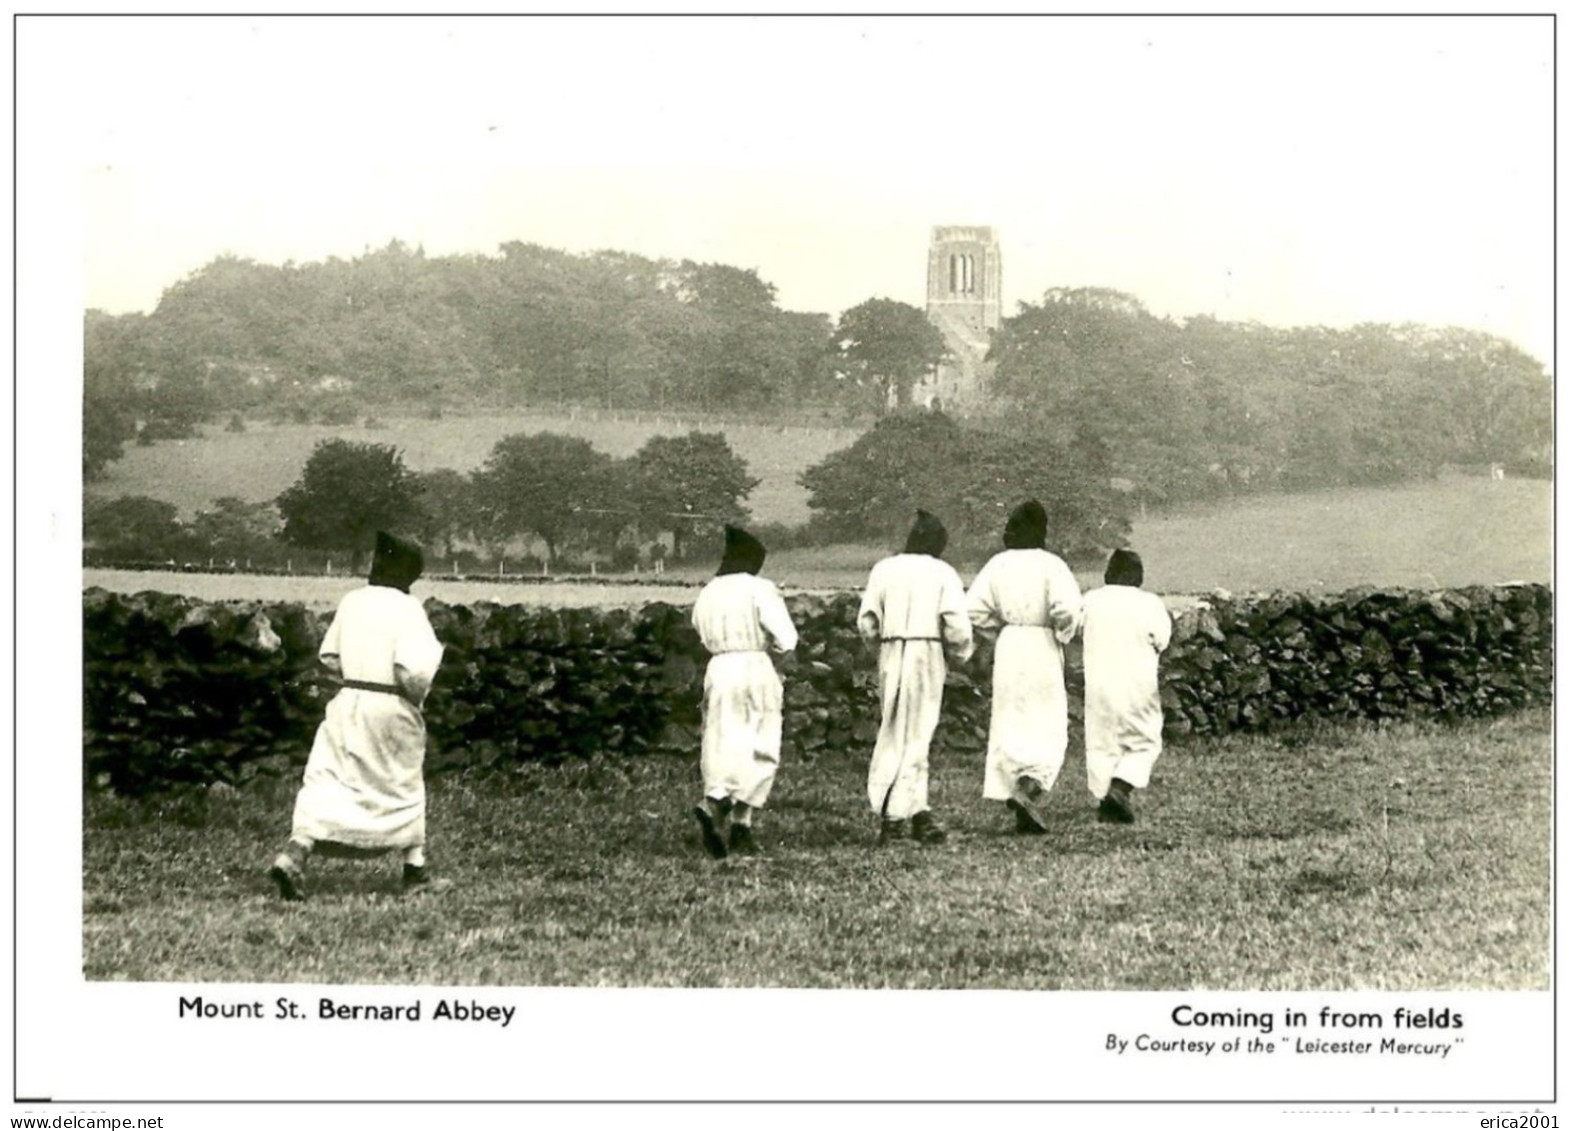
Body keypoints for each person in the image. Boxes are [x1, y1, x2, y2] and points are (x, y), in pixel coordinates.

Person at [268, 531, 445, 900]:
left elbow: (330, 658)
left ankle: (295, 853)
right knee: (402, 783)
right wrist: (414, 700)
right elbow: (414, 671)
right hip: (391, 705)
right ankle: (415, 871)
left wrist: (356, 680)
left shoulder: (352, 602)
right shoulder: (408, 608)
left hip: (349, 702)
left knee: (328, 776)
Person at [966, 500, 1084, 834]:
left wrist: (999, 630)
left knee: (1011, 720)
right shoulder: (1052, 565)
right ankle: (1030, 787)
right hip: (1041, 646)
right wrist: (1060, 634)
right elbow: (1068, 610)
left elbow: (973, 609)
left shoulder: (997, 565)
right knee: (1047, 722)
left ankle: (1017, 785)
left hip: (1009, 647)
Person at [858, 510, 974, 845]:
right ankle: (895, 818)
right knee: (918, 734)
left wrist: (880, 648)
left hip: (891, 653)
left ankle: (919, 812)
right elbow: (957, 625)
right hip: (926, 653)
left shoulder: (884, 569)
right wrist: (959, 653)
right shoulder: (942, 572)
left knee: (894, 730)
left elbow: (867, 621)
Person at [690, 525, 799, 859]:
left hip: (719, 668)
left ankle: (717, 797)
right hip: (754, 667)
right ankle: (741, 823)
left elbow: (697, 627)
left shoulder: (708, 591)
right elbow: (787, 638)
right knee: (760, 742)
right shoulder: (759, 588)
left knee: (722, 739)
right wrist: (778, 661)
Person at [1082, 549, 1172, 824]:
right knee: (1145, 740)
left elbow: (1072, 628)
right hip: (1137, 684)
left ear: (1108, 574)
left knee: (1101, 741)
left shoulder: (1090, 600)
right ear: (1138, 577)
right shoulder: (1150, 603)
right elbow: (1162, 640)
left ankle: (1105, 797)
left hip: (1098, 683)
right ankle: (1120, 789)